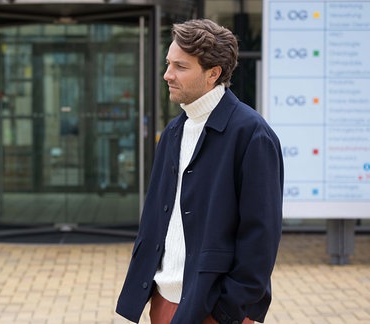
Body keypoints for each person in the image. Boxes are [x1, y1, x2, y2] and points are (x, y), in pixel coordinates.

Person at [116, 19, 284, 324]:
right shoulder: (173, 132)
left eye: (181, 66)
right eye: (168, 64)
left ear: (213, 73)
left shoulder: (251, 134)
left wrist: (227, 311)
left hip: (216, 309)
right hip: (163, 300)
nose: (167, 75)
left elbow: (261, 237)